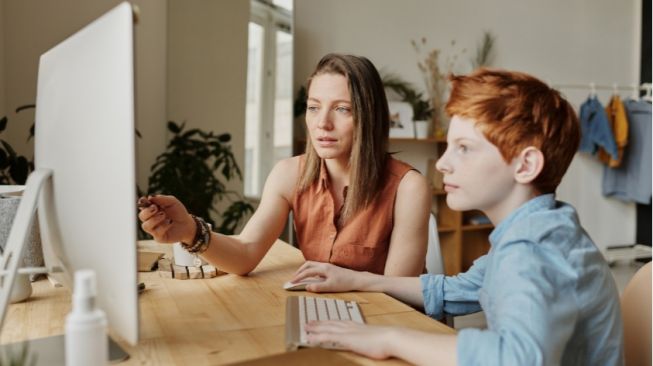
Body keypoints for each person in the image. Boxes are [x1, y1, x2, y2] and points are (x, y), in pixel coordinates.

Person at [291, 68, 624, 365]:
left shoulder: (533, 249)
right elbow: (457, 291)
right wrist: (359, 280)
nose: (442, 164)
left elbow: (516, 358)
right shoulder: (539, 228)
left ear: (525, 166)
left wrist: (388, 339)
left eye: (463, 148)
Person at [138, 53, 431, 276]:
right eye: (314, 107)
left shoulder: (409, 187)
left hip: (388, 327)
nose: (322, 123)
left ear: (370, 117)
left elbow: (398, 295)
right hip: (327, 315)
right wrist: (190, 229)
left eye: (342, 109)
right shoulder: (289, 174)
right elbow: (245, 253)